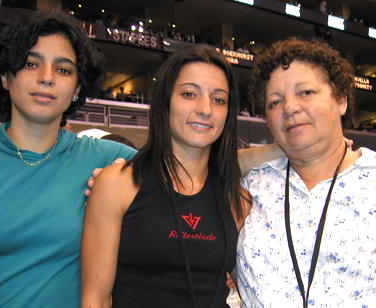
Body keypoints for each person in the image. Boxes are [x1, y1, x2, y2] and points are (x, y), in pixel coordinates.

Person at [80, 44, 285, 308]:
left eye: (219, 99)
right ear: (165, 101)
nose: (205, 109)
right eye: (189, 94)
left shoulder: (238, 200)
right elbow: (95, 299)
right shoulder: (117, 184)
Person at [0, 11, 136, 308]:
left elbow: (189, 168)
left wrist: (253, 155)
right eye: (30, 63)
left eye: (63, 70)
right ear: (5, 76)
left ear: (77, 89)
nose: (46, 78)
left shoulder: (106, 157)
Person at [237, 37, 376, 308]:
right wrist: (278, 151)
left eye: (306, 93)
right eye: (274, 102)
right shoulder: (252, 183)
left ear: (341, 100)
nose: (289, 108)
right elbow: (194, 165)